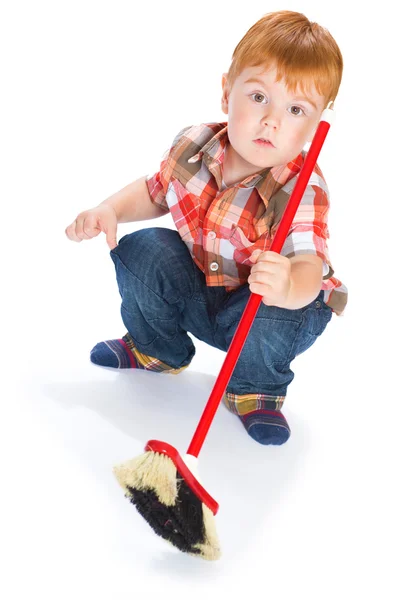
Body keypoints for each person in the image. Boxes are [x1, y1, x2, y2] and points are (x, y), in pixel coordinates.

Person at [65, 10, 348, 446]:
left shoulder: (303, 187)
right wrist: (112, 209)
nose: (272, 120)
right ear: (226, 92)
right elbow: (155, 191)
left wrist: (289, 284)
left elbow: (310, 265)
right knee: (142, 250)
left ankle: (256, 390)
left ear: (315, 127)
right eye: (258, 97)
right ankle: (157, 349)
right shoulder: (195, 146)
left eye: (295, 109)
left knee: (279, 310)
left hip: (267, 313)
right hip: (204, 292)